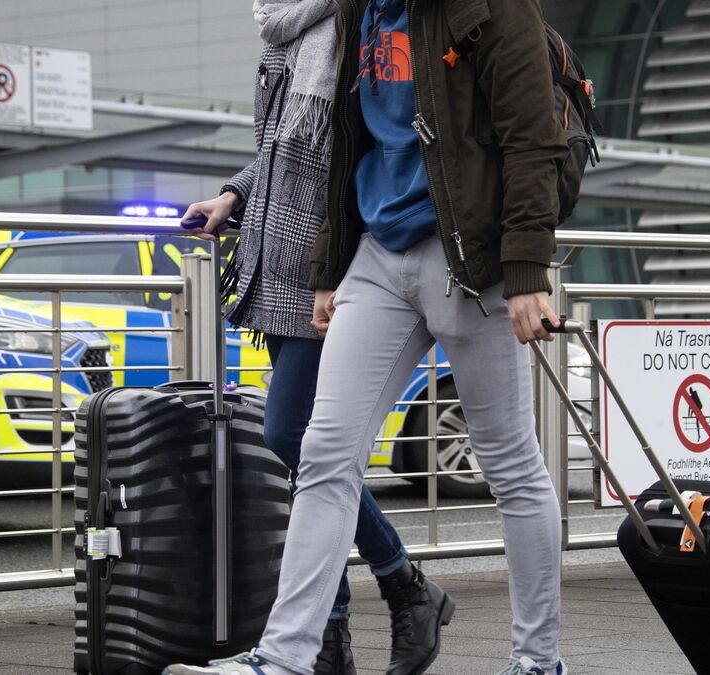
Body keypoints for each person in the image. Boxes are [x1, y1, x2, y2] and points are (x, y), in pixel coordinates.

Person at [167, 0, 567, 672]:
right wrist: (331, 269)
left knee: (511, 467)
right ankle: (285, 657)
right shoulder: (360, 10)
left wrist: (527, 269)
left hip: (469, 261)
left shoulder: (488, 7)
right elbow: (346, 147)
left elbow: (532, 140)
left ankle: (538, 661)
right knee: (324, 452)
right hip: (377, 258)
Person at [173, 1, 452, 673]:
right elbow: (280, 148)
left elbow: (357, 148)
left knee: (295, 436)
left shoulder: (354, 23)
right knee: (311, 454)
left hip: (333, 263)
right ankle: (333, 634)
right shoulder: (288, 32)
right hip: (275, 259)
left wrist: (338, 263)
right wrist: (233, 196)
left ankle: (401, 582)